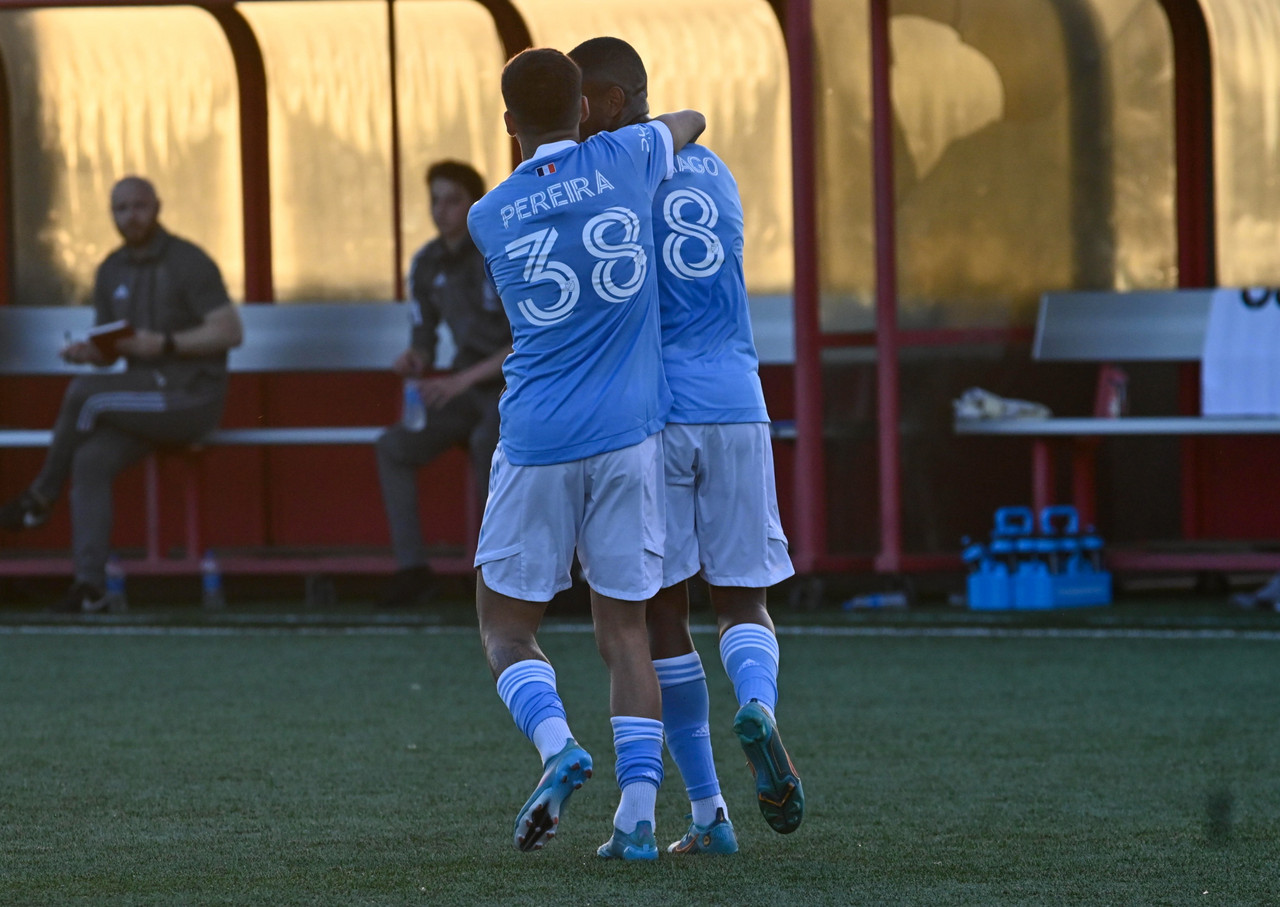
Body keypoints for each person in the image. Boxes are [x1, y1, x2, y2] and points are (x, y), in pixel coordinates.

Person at [466, 46, 704, 861]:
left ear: (508, 123)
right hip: (627, 442)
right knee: (626, 631)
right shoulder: (630, 156)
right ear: (588, 107)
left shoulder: (488, 213)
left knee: (505, 626)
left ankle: (557, 745)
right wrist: (622, 132)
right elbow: (692, 119)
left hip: (536, 439)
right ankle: (637, 821)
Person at [568, 36, 803, 854]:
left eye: (579, 101)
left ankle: (708, 811)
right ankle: (761, 708)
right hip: (738, 403)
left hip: (654, 414)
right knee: (744, 598)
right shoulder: (717, 169)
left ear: (606, 101)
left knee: (659, 612)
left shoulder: (607, 179)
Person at [0, 176, 243, 612]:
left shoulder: (189, 261)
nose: (131, 216)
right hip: (140, 398)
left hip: (192, 397)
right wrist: (88, 353)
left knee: (85, 396)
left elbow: (230, 331)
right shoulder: (110, 269)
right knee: (90, 459)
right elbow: (112, 352)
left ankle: (39, 499)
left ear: (158, 207)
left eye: (139, 206)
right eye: (121, 209)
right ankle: (90, 588)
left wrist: (165, 344)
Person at [375, 160, 511, 608]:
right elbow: (424, 339)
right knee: (394, 445)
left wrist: (460, 380)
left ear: (475, 203)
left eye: (453, 200)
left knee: (487, 440)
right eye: (435, 200)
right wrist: (415, 358)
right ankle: (413, 569)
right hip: (466, 388)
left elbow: (527, 344)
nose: (441, 211)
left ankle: (508, 572)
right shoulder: (427, 262)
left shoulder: (501, 251)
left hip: (517, 389)